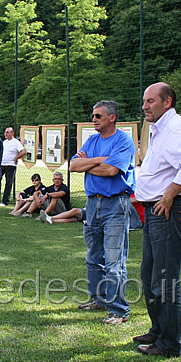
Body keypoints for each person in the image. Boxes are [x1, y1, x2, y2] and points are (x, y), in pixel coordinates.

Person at [134, 82, 181, 357]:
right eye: (144, 101)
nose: (145, 106)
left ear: (168, 102)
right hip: (155, 211)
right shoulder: (160, 129)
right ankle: (158, 331)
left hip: (168, 210)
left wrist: (168, 196)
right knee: (149, 274)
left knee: (163, 278)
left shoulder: (175, 128)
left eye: (151, 101)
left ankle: (169, 343)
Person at [69, 100, 136, 325]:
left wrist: (88, 163)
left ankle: (118, 310)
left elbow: (111, 170)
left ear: (112, 117)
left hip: (116, 204)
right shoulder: (92, 140)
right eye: (93, 116)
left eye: (98, 116)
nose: (94, 119)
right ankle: (98, 299)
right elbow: (73, 165)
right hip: (93, 204)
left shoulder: (124, 140)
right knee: (93, 256)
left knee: (114, 259)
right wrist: (98, 160)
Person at [0, 127, 26, 206]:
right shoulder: (4, 142)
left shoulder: (16, 142)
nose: (6, 134)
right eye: (5, 132)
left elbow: (23, 151)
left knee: (8, 183)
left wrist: (16, 158)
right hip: (2, 164)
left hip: (10, 165)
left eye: (8, 132)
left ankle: (5, 201)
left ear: (12, 133)